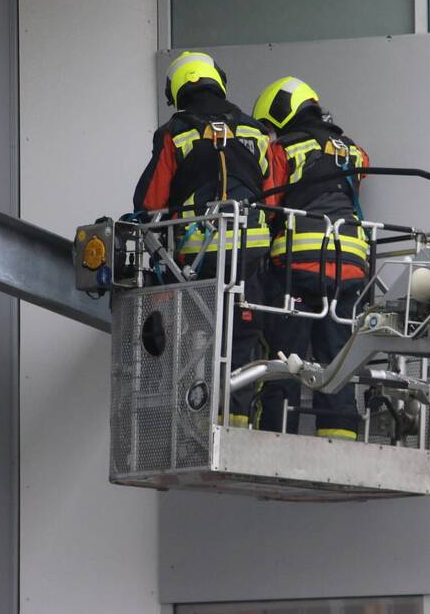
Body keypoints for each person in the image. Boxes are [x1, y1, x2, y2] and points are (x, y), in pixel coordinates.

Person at [132, 51, 273, 426]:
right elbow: (273, 197)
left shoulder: (174, 134)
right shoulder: (256, 132)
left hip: (199, 256)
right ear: (217, 80)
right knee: (243, 336)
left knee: (195, 335)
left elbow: (150, 202)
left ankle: (193, 418)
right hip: (250, 252)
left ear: (178, 89)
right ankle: (237, 423)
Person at [251, 76, 369, 440]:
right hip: (350, 265)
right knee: (337, 357)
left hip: (298, 267)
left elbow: (269, 205)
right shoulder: (353, 151)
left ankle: (276, 432)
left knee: (286, 355)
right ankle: (340, 435)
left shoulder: (283, 151)